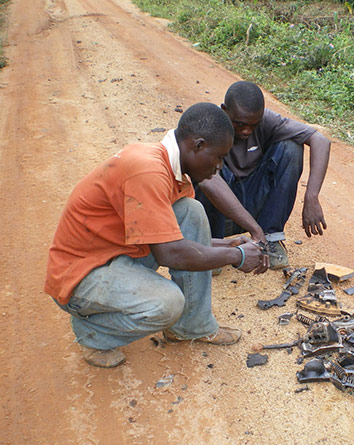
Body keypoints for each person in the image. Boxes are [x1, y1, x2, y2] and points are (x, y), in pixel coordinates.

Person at [45, 103, 267, 368]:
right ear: (197, 146)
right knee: (168, 304)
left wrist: (230, 244)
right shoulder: (149, 171)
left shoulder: (172, 170)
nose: (219, 167)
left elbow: (180, 240)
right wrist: (236, 256)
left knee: (190, 211)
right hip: (82, 274)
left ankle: (191, 326)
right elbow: (170, 253)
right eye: (218, 157)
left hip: (116, 255)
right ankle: (94, 334)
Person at [194, 81, 331, 269]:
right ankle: (213, 246)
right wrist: (255, 229)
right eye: (239, 124)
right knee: (204, 170)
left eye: (253, 125)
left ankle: (270, 241)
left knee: (291, 148)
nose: (246, 131)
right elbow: (209, 183)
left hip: (251, 205)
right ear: (224, 110)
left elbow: (320, 140)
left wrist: (312, 196)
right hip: (219, 212)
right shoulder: (208, 125)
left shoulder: (266, 121)